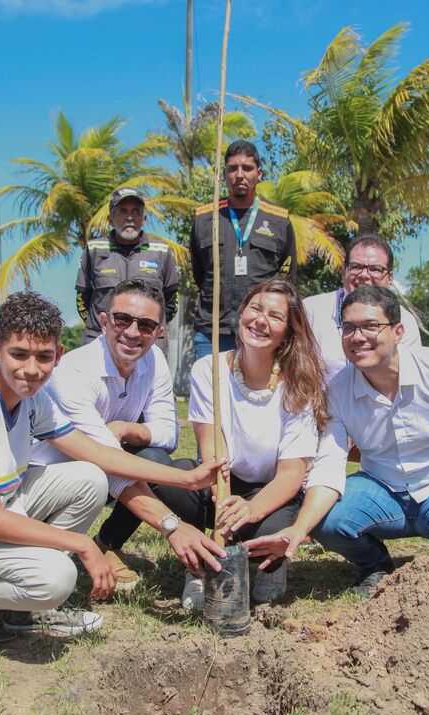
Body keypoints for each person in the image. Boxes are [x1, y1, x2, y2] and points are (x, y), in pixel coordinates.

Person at [0, 292, 227, 652]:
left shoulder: (32, 397)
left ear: (57, 356)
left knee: (90, 478)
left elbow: (96, 453)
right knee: (58, 578)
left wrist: (187, 478)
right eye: (19, 354)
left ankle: (24, 607)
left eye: (43, 357)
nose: (31, 369)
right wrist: (83, 545)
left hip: (3, 502)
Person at [247, 286, 429, 595]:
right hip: (381, 487)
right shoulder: (339, 391)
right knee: (326, 519)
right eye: (349, 328)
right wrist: (299, 528)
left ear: (398, 331)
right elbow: (329, 466)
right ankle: (376, 564)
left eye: (371, 326)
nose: (357, 337)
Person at [162, 278, 325, 609]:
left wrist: (250, 509)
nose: (260, 321)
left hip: (271, 491)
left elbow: (292, 474)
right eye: (255, 308)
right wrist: (223, 503)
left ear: (289, 332)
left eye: (275, 317)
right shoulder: (207, 369)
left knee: (276, 526)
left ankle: (267, 568)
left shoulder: (300, 384)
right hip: (220, 479)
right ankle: (197, 566)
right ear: (241, 314)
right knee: (172, 477)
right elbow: (212, 449)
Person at [33, 279, 179, 593]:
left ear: (158, 333)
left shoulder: (155, 360)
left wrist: (129, 428)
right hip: (51, 476)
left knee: (154, 457)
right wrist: (173, 526)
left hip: (99, 467)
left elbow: (168, 435)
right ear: (104, 322)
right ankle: (43, 562)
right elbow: (107, 464)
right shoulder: (74, 371)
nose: (131, 332)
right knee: (100, 474)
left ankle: (106, 543)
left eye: (145, 325)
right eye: (122, 319)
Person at [189, 140, 296, 360]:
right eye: (232, 168)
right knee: (211, 393)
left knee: (260, 393)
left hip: (262, 329)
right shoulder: (204, 218)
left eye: (246, 168)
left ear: (259, 173)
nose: (239, 175)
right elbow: (199, 274)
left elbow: (288, 279)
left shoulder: (278, 220)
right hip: (213, 331)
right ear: (224, 174)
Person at [304, 233, 422, 381]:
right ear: (343, 273)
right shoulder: (310, 310)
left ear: (390, 278)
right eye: (356, 267)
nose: (364, 275)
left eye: (375, 269)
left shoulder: (404, 321)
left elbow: (408, 375)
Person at [76, 187, 178, 344]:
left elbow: (171, 301)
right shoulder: (93, 250)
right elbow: (83, 299)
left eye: (136, 212)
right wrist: (105, 328)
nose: (130, 217)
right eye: (123, 211)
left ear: (143, 219)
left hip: (147, 343)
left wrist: (147, 328)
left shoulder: (162, 252)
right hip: (101, 340)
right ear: (111, 219)